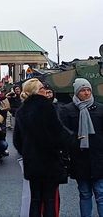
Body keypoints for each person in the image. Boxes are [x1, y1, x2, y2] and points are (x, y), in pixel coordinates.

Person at [13, 78, 76, 217]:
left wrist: (27, 151)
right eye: (42, 88)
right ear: (36, 91)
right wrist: (72, 139)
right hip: (49, 161)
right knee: (49, 200)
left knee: (35, 200)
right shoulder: (46, 107)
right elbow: (58, 133)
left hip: (32, 162)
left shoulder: (22, 110)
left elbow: (17, 140)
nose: (45, 90)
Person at [59, 78, 103, 217]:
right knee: (84, 193)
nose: (86, 93)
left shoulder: (100, 109)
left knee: (101, 193)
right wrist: (73, 140)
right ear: (77, 92)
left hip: (98, 157)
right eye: (83, 90)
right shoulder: (67, 110)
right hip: (79, 158)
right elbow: (63, 133)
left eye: (88, 90)